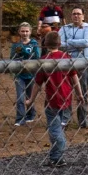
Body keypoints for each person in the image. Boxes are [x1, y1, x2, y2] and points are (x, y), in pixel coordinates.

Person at [34, 30, 78, 168]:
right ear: (60, 43)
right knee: (59, 128)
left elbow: (37, 84)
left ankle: (57, 153)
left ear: (45, 44)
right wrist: (80, 94)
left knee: (56, 131)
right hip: (66, 99)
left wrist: (30, 99)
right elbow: (74, 78)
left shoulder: (45, 60)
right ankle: (56, 157)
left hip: (52, 101)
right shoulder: (66, 56)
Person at [59, 9, 88, 123]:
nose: (76, 16)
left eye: (78, 14)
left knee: (83, 90)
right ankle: (66, 119)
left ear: (83, 16)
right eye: (74, 14)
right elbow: (59, 43)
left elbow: (87, 43)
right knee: (65, 91)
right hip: (67, 63)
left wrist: (69, 42)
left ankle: (83, 120)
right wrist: (76, 44)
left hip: (83, 63)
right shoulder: (65, 28)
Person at [10, 22, 41, 126]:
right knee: (20, 97)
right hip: (20, 74)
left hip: (31, 74)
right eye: (22, 31)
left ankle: (31, 114)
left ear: (30, 32)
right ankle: (20, 118)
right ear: (19, 32)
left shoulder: (34, 43)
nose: (25, 33)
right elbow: (12, 58)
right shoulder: (16, 45)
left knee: (30, 96)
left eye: (27, 31)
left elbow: (37, 56)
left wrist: (24, 51)